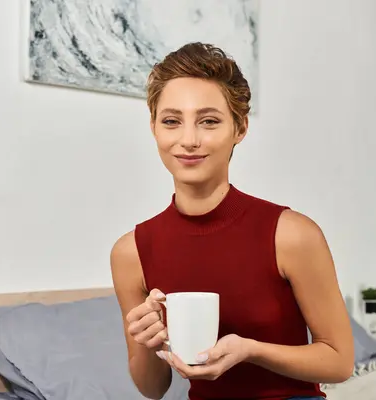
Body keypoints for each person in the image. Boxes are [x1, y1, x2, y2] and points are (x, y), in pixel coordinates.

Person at [110, 42, 354, 400]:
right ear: (154, 128)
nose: (188, 140)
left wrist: (251, 350)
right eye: (172, 121)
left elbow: (339, 362)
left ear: (239, 129)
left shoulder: (292, 235)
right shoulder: (130, 252)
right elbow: (153, 389)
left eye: (209, 121)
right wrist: (148, 341)